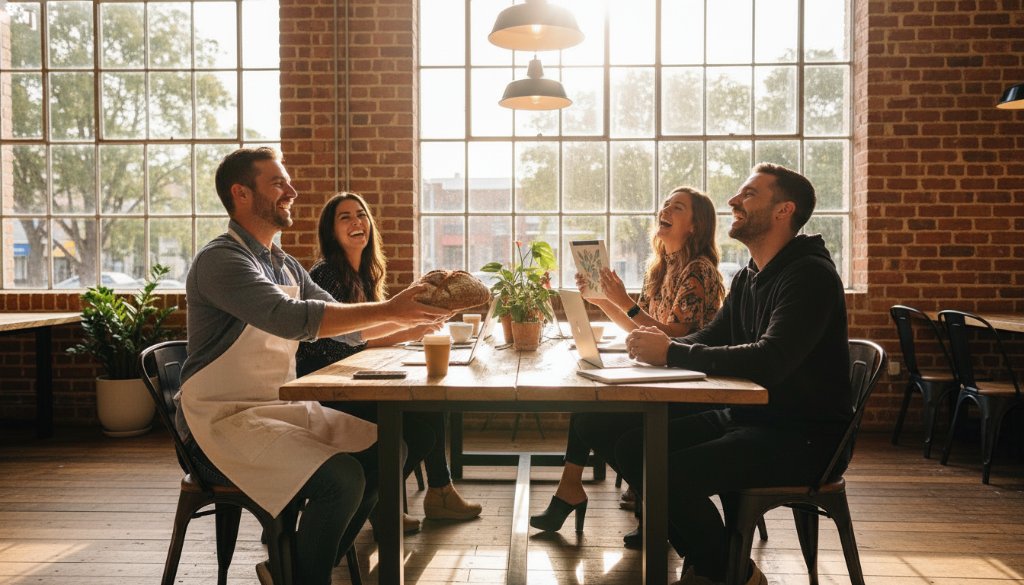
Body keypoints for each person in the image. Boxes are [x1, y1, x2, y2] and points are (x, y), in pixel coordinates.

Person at [177, 147, 449, 585]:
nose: (293, 190)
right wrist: (391, 309)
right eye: (278, 183)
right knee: (340, 479)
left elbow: (343, 327)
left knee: (387, 450)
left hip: (274, 409)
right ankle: (302, 574)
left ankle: (297, 571)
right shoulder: (221, 260)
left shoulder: (284, 264)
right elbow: (291, 318)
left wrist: (409, 317)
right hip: (217, 423)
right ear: (240, 194)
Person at [581, 163, 850, 585]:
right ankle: (721, 564)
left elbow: (770, 359)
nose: (732, 201)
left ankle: (728, 573)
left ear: (784, 211)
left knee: (667, 474)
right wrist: (661, 351)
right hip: (749, 417)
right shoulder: (749, 277)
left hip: (803, 435)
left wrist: (670, 351)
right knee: (627, 441)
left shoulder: (810, 275)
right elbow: (710, 337)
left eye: (749, 194)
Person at [530, 187, 725, 536]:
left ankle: (646, 498)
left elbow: (673, 339)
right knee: (588, 401)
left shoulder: (699, 272)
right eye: (665, 204)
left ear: (695, 226)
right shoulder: (662, 267)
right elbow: (637, 325)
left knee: (592, 410)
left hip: (687, 387)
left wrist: (623, 300)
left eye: (677, 207)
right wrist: (605, 300)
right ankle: (582, 489)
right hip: (661, 376)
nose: (665, 209)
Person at [296, 192, 483, 531]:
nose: (357, 223)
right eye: (345, 217)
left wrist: (415, 325)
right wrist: (411, 326)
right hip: (327, 388)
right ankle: (387, 502)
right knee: (419, 420)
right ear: (331, 231)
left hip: (353, 377)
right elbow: (353, 342)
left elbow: (365, 333)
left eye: (361, 215)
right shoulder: (326, 275)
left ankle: (426, 496)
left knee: (429, 410)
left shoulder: (364, 273)